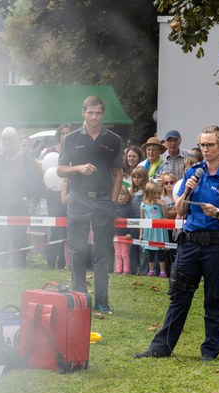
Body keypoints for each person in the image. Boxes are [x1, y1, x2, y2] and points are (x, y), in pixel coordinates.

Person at [135, 125, 219, 361]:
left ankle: (209, 352)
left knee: (214, 299)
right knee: (178, 297)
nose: (205, 149)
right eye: (203, 145)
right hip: (190, 244)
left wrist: (216, 213)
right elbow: (179, 209)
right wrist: (186, 190)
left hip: (218, 245)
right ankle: (160, 348)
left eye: (210, 145)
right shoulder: (194, 173)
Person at [57, 96, 123, 314]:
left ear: (103, 114)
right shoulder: (71, 138)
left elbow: (118, 172)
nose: (94, 117)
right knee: (77, 251)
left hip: (104, 199)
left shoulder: (113, 139)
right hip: (79, 199)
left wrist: (113, 200)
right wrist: (78, 168)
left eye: (98, 113)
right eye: (90, 113)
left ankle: (102, 301)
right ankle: (79, 300)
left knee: (103, 253)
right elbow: (60, 170)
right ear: (83, 113)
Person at [0, 127, 43, 268]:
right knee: (1, 237)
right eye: (4, 139)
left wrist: (32, 203)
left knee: (19, 239)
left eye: (10, 139)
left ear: (16, 141)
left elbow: (35, 184)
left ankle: (19, 268)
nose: (7, 142)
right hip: (1, 206)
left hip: (20, 206)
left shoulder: (26, 159)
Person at [42, 124, 73, 269]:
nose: (65, 135)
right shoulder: (50, 151)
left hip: (68, 193)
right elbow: (43, 171)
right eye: (63, 133)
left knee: (66, 231)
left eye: (68, 133)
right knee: (54, 230)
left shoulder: (74, 151)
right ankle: (50, 262)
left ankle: (62, 263)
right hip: (52, 195)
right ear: (59, 135)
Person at [140, 180, 170, 278]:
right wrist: (141, 234)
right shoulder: (143, 205)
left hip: (160, 230)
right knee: (150, 252)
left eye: (158, 193)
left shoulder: (161, 203)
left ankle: (162, 271)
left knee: (161, 251)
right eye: (154, 193)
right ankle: (151, 270)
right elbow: (142, 221)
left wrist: (163, 205)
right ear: (148, 193)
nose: (157, 195)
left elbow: (166, 215)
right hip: (149, 231)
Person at [129, 166, 149, 275]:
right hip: (132, 224)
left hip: (144, 224)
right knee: (132, 248)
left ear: (144, 178)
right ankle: (132, 270)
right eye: (134, 177)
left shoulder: (147, 193)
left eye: (139, 177)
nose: (136, 180)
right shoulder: (130, 193)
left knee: (143, 249)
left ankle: (143, 271)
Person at [113, 186, 136, 275]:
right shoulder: (114, 207)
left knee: (125, 254)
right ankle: (118, 270)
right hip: (116, 235)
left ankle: (126, 270)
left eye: (122, 194)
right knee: (117, 254)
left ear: (127, 196)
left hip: (125, 235)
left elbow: (134, 222)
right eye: (118, 194)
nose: (120, 196)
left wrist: (130, 233)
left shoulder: (129, 208)